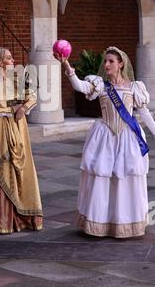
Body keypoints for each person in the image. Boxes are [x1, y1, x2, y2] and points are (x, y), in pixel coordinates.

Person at [54, 45, 155, 238]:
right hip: (104, 136)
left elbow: (145, 115)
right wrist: (66, 65)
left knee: (126, 179)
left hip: (128, 138)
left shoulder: (134, 87)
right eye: (105, 61)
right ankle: (100, 223)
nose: (106, 64)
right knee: (102, 178)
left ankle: (124, 223)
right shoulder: (100, 85)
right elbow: (80, 86)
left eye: (111, 61)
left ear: (120, 64)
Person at [0, 47, 43, 234]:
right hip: (0, 130)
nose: (13, 60)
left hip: (18, 127)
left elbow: (32, 95)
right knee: (3, 166)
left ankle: (22, 217)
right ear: (0, 62)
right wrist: (11, 109)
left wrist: (23, 108)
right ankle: (2, 219)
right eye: (8, 58)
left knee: (21, 168)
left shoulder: (18, 81)